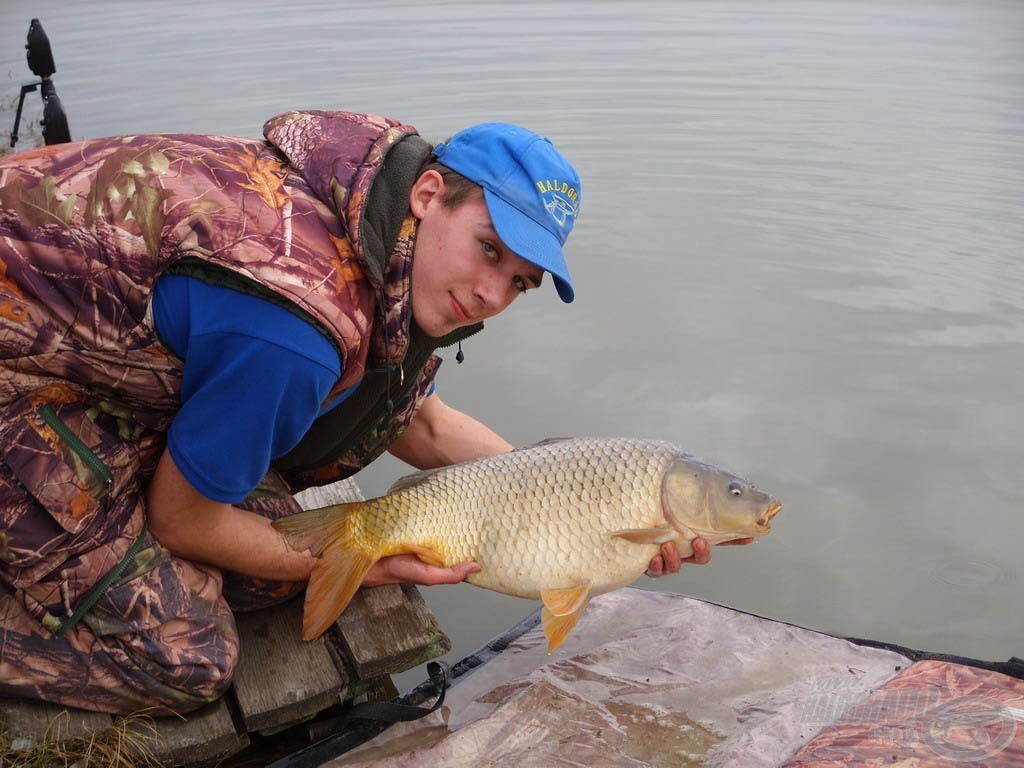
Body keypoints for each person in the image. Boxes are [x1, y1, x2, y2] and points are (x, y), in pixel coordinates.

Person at [0, 110, 716, 716]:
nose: (494, 294)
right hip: (20, 383)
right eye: (489, 250)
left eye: (519, 283)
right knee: (184, 659)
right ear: (430, 193)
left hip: (84, 373)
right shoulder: (296, 328)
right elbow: (181, 521)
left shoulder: (375, 222)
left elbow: (423, 423)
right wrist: (368, 566)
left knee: (268, 565)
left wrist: (577, 506)